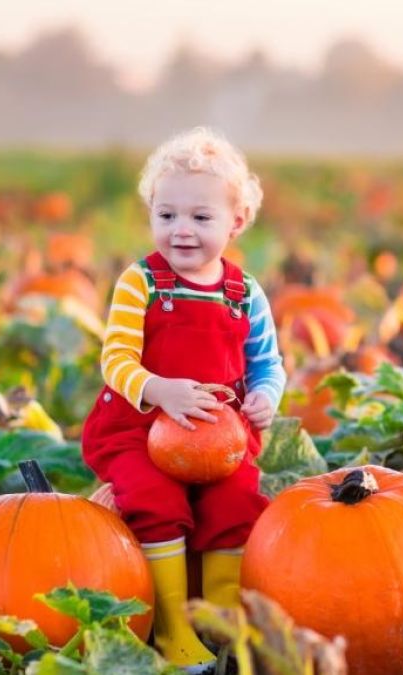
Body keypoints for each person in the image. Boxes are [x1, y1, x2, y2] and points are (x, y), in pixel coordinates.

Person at [80, 126, 285, 669]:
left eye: (201, 217)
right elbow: (115, 360)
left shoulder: (244, 293)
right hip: (138, 430)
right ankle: (172, 626)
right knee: (156, 500)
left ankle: (222, 619)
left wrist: (266, 396)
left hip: (218, 438)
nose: (182, 230)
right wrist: (159, 389)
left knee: (236, 502)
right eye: (167, 215)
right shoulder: (141, 282)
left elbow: (267, 363)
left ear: (236, 221)